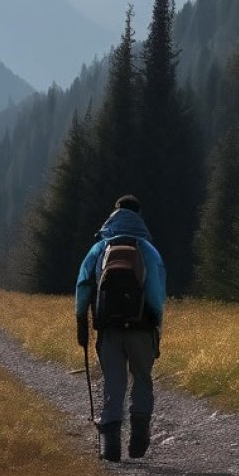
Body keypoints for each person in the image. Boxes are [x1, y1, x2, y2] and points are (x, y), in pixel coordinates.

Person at [74, 194, 166, 462]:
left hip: (109, 328)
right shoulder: (147, 250)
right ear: (138, 215)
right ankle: (139, 435)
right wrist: (155, 322)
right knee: (142, 379)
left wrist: (82, 321)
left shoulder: (100, 248)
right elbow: (156, 293)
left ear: (114, 214)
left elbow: (83, 285)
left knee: (113, 383)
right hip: (142, 328)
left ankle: (110, 447)